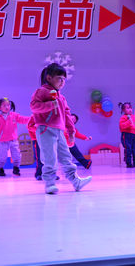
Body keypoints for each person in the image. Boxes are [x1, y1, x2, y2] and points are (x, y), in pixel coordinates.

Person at [30, 63, 92, 194]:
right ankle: (49, 183)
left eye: (64, 79)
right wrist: (50, 105)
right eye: (59, 78)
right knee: (49, 157)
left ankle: (76, 181)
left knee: (66, 156)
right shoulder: (42, 91)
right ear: (49, 78)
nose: (62, 82)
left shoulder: (61, 97)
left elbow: (67, 115)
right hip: (45, 130)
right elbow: (34, 107)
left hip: (59, 131)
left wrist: (71, 131)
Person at [0, 97, 29, 176]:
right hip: (3, 141)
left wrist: (31, 118)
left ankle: (16, 168)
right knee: (2, 157)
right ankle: (0, 168)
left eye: (8, 105)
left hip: (13, 140)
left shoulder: (14, 115)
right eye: (4, 105)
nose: (7, 107)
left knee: (17, 155)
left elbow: (23, 119)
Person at [118, 102, 135, 168]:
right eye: (128, 108)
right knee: (128, 149)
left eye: (131, 108)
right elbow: (122, 126)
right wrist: (129, 122)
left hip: (134, 135)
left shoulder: (134, 117)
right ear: (123, 110)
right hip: (126, 135)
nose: (130, 109)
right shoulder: (123, 118)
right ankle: (128, 163)